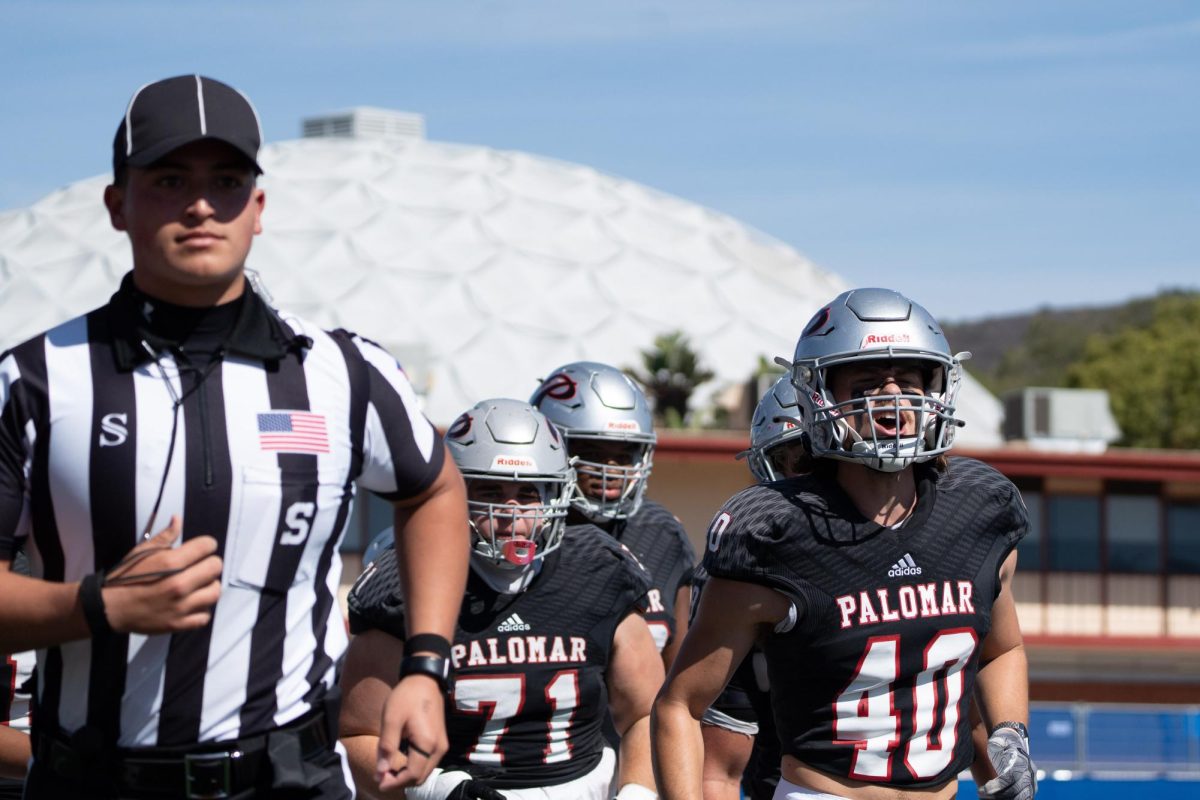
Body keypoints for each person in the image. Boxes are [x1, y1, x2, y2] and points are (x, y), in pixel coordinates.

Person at [0, 74, 469, 799]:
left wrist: (427, 665)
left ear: (258, 208)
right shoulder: (34, 380)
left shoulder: (344, 371)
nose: (198, 205)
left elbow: (434, 487)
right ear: (117, 204)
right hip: (94, 779)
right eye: (168, 179)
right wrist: (95, 607)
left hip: (288, 777)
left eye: (225, 181)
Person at [653, 288, 1036, 800]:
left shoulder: (978, 509)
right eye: (867, 384)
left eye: (910, 381)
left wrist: (1011, 732)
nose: (893, 399)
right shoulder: (776, 531)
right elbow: (679, 705)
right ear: (820, 396)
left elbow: (1002, 649)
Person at [340, 399, 663, 799]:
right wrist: (436, 790)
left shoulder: (597, 568)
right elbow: (357, 734)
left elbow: (647, 712)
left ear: (554, 496)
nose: (510, 513)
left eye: (527, 493)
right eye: (490, 490)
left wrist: (637, 793)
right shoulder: (405, 582)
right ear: (453, 493)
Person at [530, 362, 695, 670]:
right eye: (591, 452)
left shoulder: (661, 532)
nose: (610, 470)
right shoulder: (525, 535)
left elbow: (679, 676)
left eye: (623, 454)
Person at [698, 375, 805, 800]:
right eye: (796, 460)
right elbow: (719, 770)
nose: (814, 478)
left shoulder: (925, 544)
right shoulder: (744, 570)